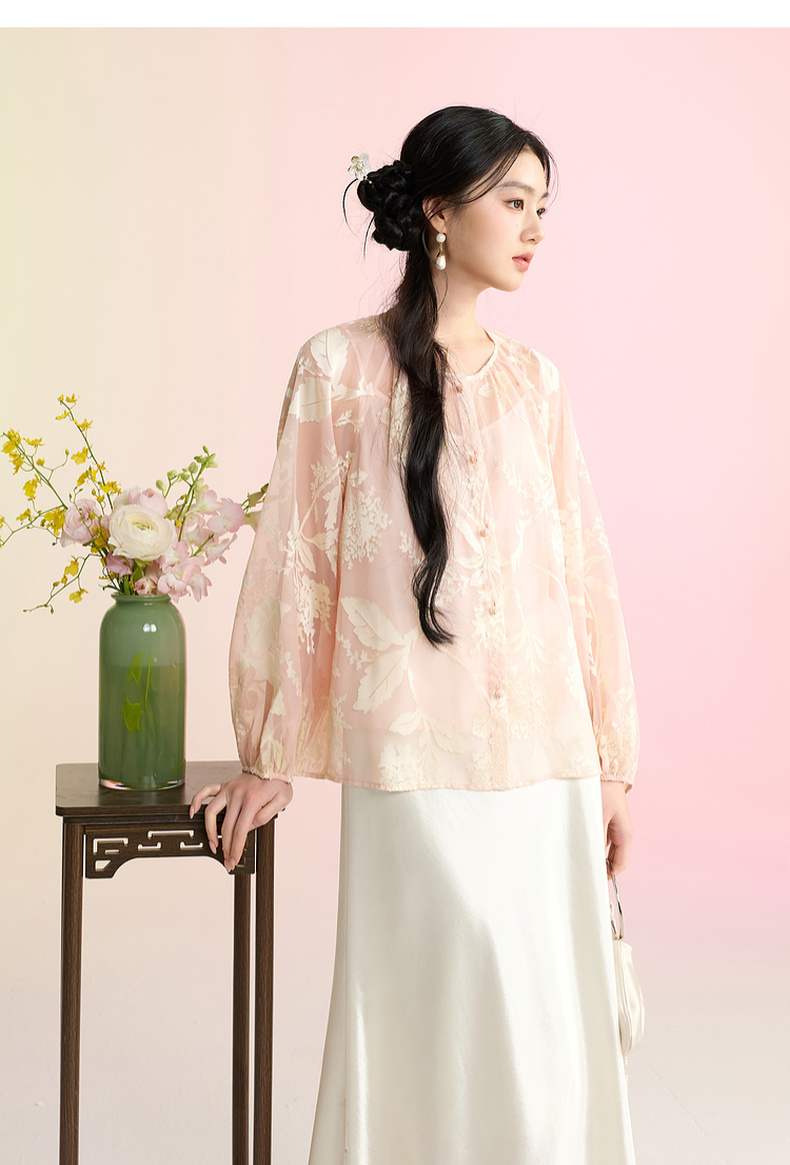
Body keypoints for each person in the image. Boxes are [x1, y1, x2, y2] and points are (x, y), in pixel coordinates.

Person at [190, 104, 639, 1164]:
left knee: (543, 1029)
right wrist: (268, 750)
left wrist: (612, 764)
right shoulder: (336, 367)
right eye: (513, 202)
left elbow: (581, 573)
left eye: (542, 207)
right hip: (413, 758)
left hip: (546, 761)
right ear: (439, 211)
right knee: (431, 1013)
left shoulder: (535, 384)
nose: (534, 228)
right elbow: (295, 557)